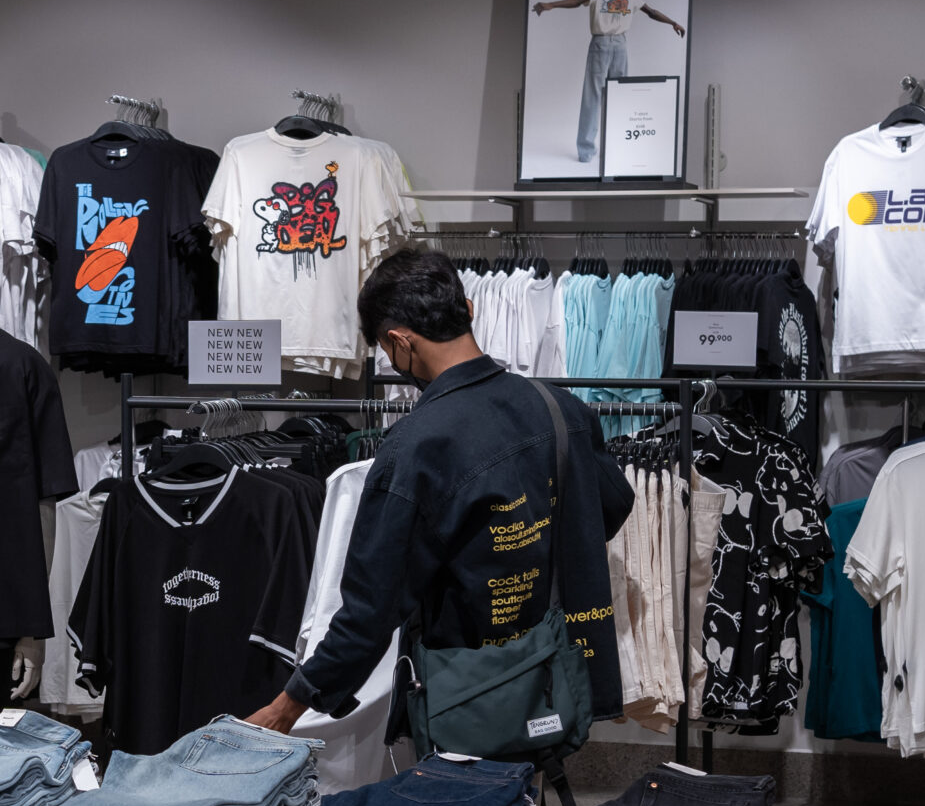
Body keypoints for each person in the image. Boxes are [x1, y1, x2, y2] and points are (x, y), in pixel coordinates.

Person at [244, 249, 633, 765]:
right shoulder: (561, 407)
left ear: (400, 342)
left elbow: (370, 609)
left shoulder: (416, 448)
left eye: (387, 351)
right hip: (557, 675)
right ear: (468, 308)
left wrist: (286, 707)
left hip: (473, 693)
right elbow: (609, 509)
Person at [534, 0, 686, 164]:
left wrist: (551, 4)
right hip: (621, 45)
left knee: (592, 95)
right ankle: (616, 148)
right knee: (618, 96)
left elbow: (578, 0)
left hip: (601, 43)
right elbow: (652, 12)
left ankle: (586, 153)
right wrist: (673, 22)